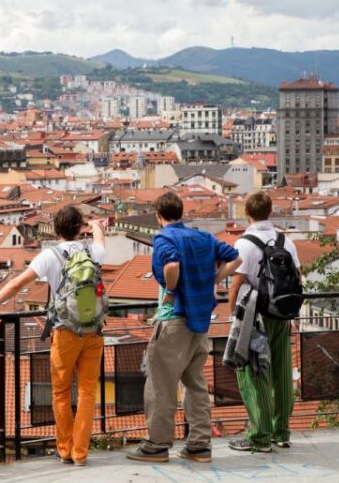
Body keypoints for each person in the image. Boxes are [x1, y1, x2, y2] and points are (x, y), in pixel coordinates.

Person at [0, 205, 107, 466]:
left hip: (65, 331)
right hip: (94, 330)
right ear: (79, 229)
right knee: (87, 392)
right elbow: (100, 238)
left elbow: (15, 285)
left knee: (60, 392)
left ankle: (65, 449)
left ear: (56, 230)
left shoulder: (50, 256)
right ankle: (81, 453)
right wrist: (95, 227)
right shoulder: (93, 251)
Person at [126, 191, 241, 464]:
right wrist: (215, 278)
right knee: (196, 383)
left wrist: (171, 289)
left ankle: (157, 445)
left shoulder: (164, 238)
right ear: (181, 212)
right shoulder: (203, 237)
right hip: (200, 321)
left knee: (161, 385)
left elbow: (172, 265)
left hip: (175, 318)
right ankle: (199, 445)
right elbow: (236, 257)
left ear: (158, 215)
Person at [228, 191, 300, 453]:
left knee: (255, 373)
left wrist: (231, 318)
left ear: (246, 212)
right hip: (281, 314)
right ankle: (282, 432)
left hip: (254, 318)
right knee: (282, 372)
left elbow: (236, 285)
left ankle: (260, 436)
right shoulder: (286, 241)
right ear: (270, 211)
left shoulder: (244, 243)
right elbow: (297, 277)